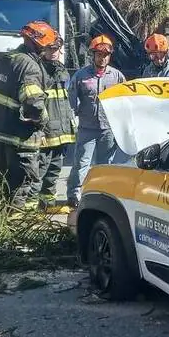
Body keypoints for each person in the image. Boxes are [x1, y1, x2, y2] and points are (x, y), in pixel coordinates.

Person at [0, 20, 57, 211]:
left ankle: (0, 221)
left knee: (3, 186)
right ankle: (15, 228)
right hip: (20, 139)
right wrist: (43, 123)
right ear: (39, 43)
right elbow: (33, 105)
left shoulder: (4, 59)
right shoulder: (30, 67)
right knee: (20, 188)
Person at [66, 34, 126, 209]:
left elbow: (124, 101)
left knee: (105, 165)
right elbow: (71, 100)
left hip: (108, 129)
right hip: (87, 128)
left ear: (110, 56)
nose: (102, 57)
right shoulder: (81, 75)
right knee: (81, 163)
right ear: (93, 55)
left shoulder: (117, 77)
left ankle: (102, 195)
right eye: (99, 54)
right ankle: (74, 195)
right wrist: (72, 120)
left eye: (106, 55)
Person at [32, 32, 77, 214]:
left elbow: (65, 102)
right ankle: (33, 206)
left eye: (56, 49)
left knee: (54, 170)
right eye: (49, 49)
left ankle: (47, 203)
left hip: (62, 131)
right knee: (40, 169)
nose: (53, 52)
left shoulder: (62, 70)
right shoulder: (38, 70)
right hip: (46, 130)